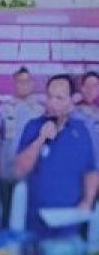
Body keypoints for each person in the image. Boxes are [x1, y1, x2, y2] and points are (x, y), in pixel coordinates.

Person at [14, 73, 98, 238]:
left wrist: (88, 201)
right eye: (50, 96)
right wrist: (40, 140)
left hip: (71, 226)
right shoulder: (32, 127)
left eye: (59, 98)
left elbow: (91, 169)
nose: (52, 103)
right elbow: (19, 170)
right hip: (35, 225)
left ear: (72, 100)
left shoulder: (82, 130)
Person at [0, 66, 44, 225]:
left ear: (32, 84)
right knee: (7, 217)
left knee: (28, 219)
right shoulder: (4, 109)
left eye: (26, 81)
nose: (23, 85)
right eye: (19, 81)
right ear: (14, 84)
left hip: (32, 175)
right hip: (7, 174)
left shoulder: (41, 111)